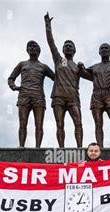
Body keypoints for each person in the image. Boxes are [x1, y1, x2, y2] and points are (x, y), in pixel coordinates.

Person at [44, 12, 85, 148]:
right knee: (59, 124)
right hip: (58, 97)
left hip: (73, 97)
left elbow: (94, 77)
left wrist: (82, 69)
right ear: (62, 49)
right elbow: (51, 43)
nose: (68, 47)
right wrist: (48, 25)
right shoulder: (59, 60)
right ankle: (61, 148)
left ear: (74, 50)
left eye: (70, 46)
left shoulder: (78, 66)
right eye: (65, 45)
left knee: (78, 123)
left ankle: (80, 148)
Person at [8, 40, 55, 148]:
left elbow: (56, 78)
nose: (32, 48)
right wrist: (14, 87)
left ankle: (38, 148)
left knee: (39, 125)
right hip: (24, 96)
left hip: (38, 97)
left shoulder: (43, 66)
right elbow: (11, 78)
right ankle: (21, 146)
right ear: (27, 50)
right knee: (22, 123)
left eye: (34, 46)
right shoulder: (22, 64)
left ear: (39, 50)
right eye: (30, 47)